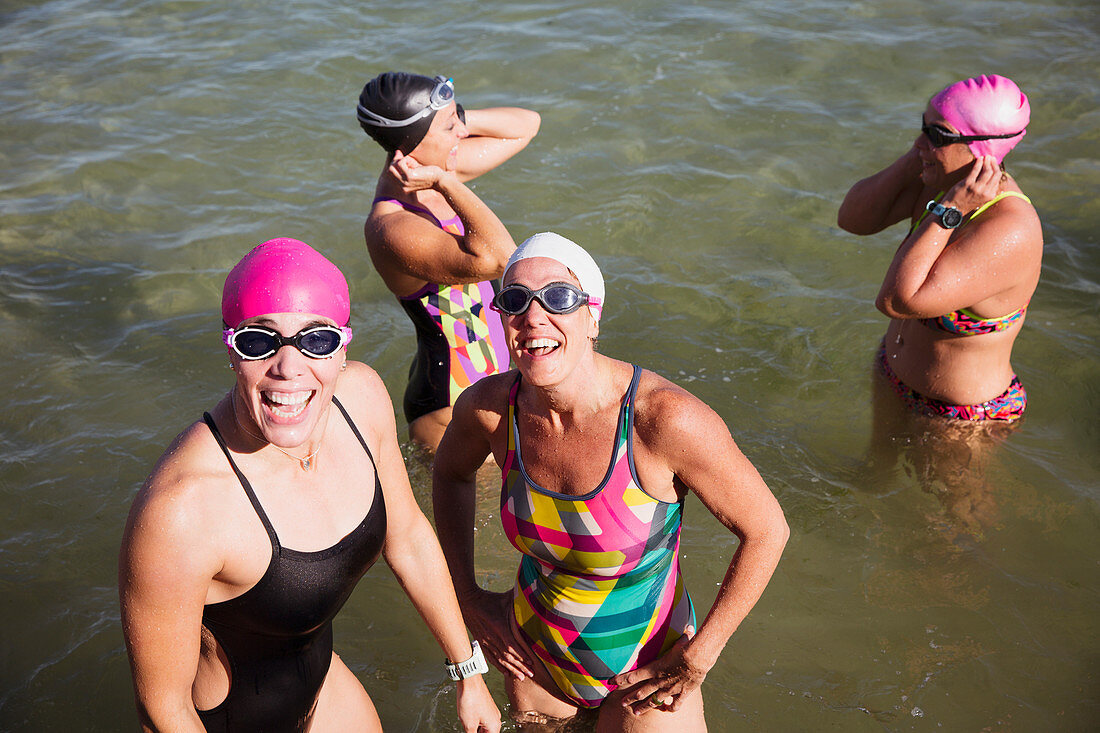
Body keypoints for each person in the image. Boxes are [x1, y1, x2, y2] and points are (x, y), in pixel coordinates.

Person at [118, 238, 500, 732]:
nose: (289, 367)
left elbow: (406, 536)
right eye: (260, 341)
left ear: (343, 347)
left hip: (323, 689)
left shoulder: (360, 399)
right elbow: (162, 710)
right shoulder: (183, 511)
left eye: (316, 339)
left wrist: (468, 672)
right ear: (231, 350)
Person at [431, 233, 789, 730]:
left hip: (648, 679)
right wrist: (468, 597)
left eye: (557, 298)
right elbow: (449, 474)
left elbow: (768, 531)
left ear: (592, 315)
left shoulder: (661, 420)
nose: (534, 316)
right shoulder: (491, 411)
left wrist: (700, 657)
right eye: (515, 300)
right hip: (535, 663)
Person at [838, 74, 1042, 424]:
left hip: (960, 415)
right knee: (872, 477)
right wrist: (924, 155)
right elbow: (853, 219)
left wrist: (948, 213)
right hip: (892, 373)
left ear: (984, 149)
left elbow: (897, 301)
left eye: (937, 135)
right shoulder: (940, 181)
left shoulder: (1008, 229)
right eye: (923, 126)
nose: (918, 141)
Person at [356, 71, 541, 451]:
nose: (461, 132)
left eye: (458, 120)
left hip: (494, 383)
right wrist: (445, 182)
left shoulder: (439, 163)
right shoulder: (393, 226)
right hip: (451, 407)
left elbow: (526, 125)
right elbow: (499, 258)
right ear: (410, 145)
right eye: (448, 127)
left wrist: (453, 115)